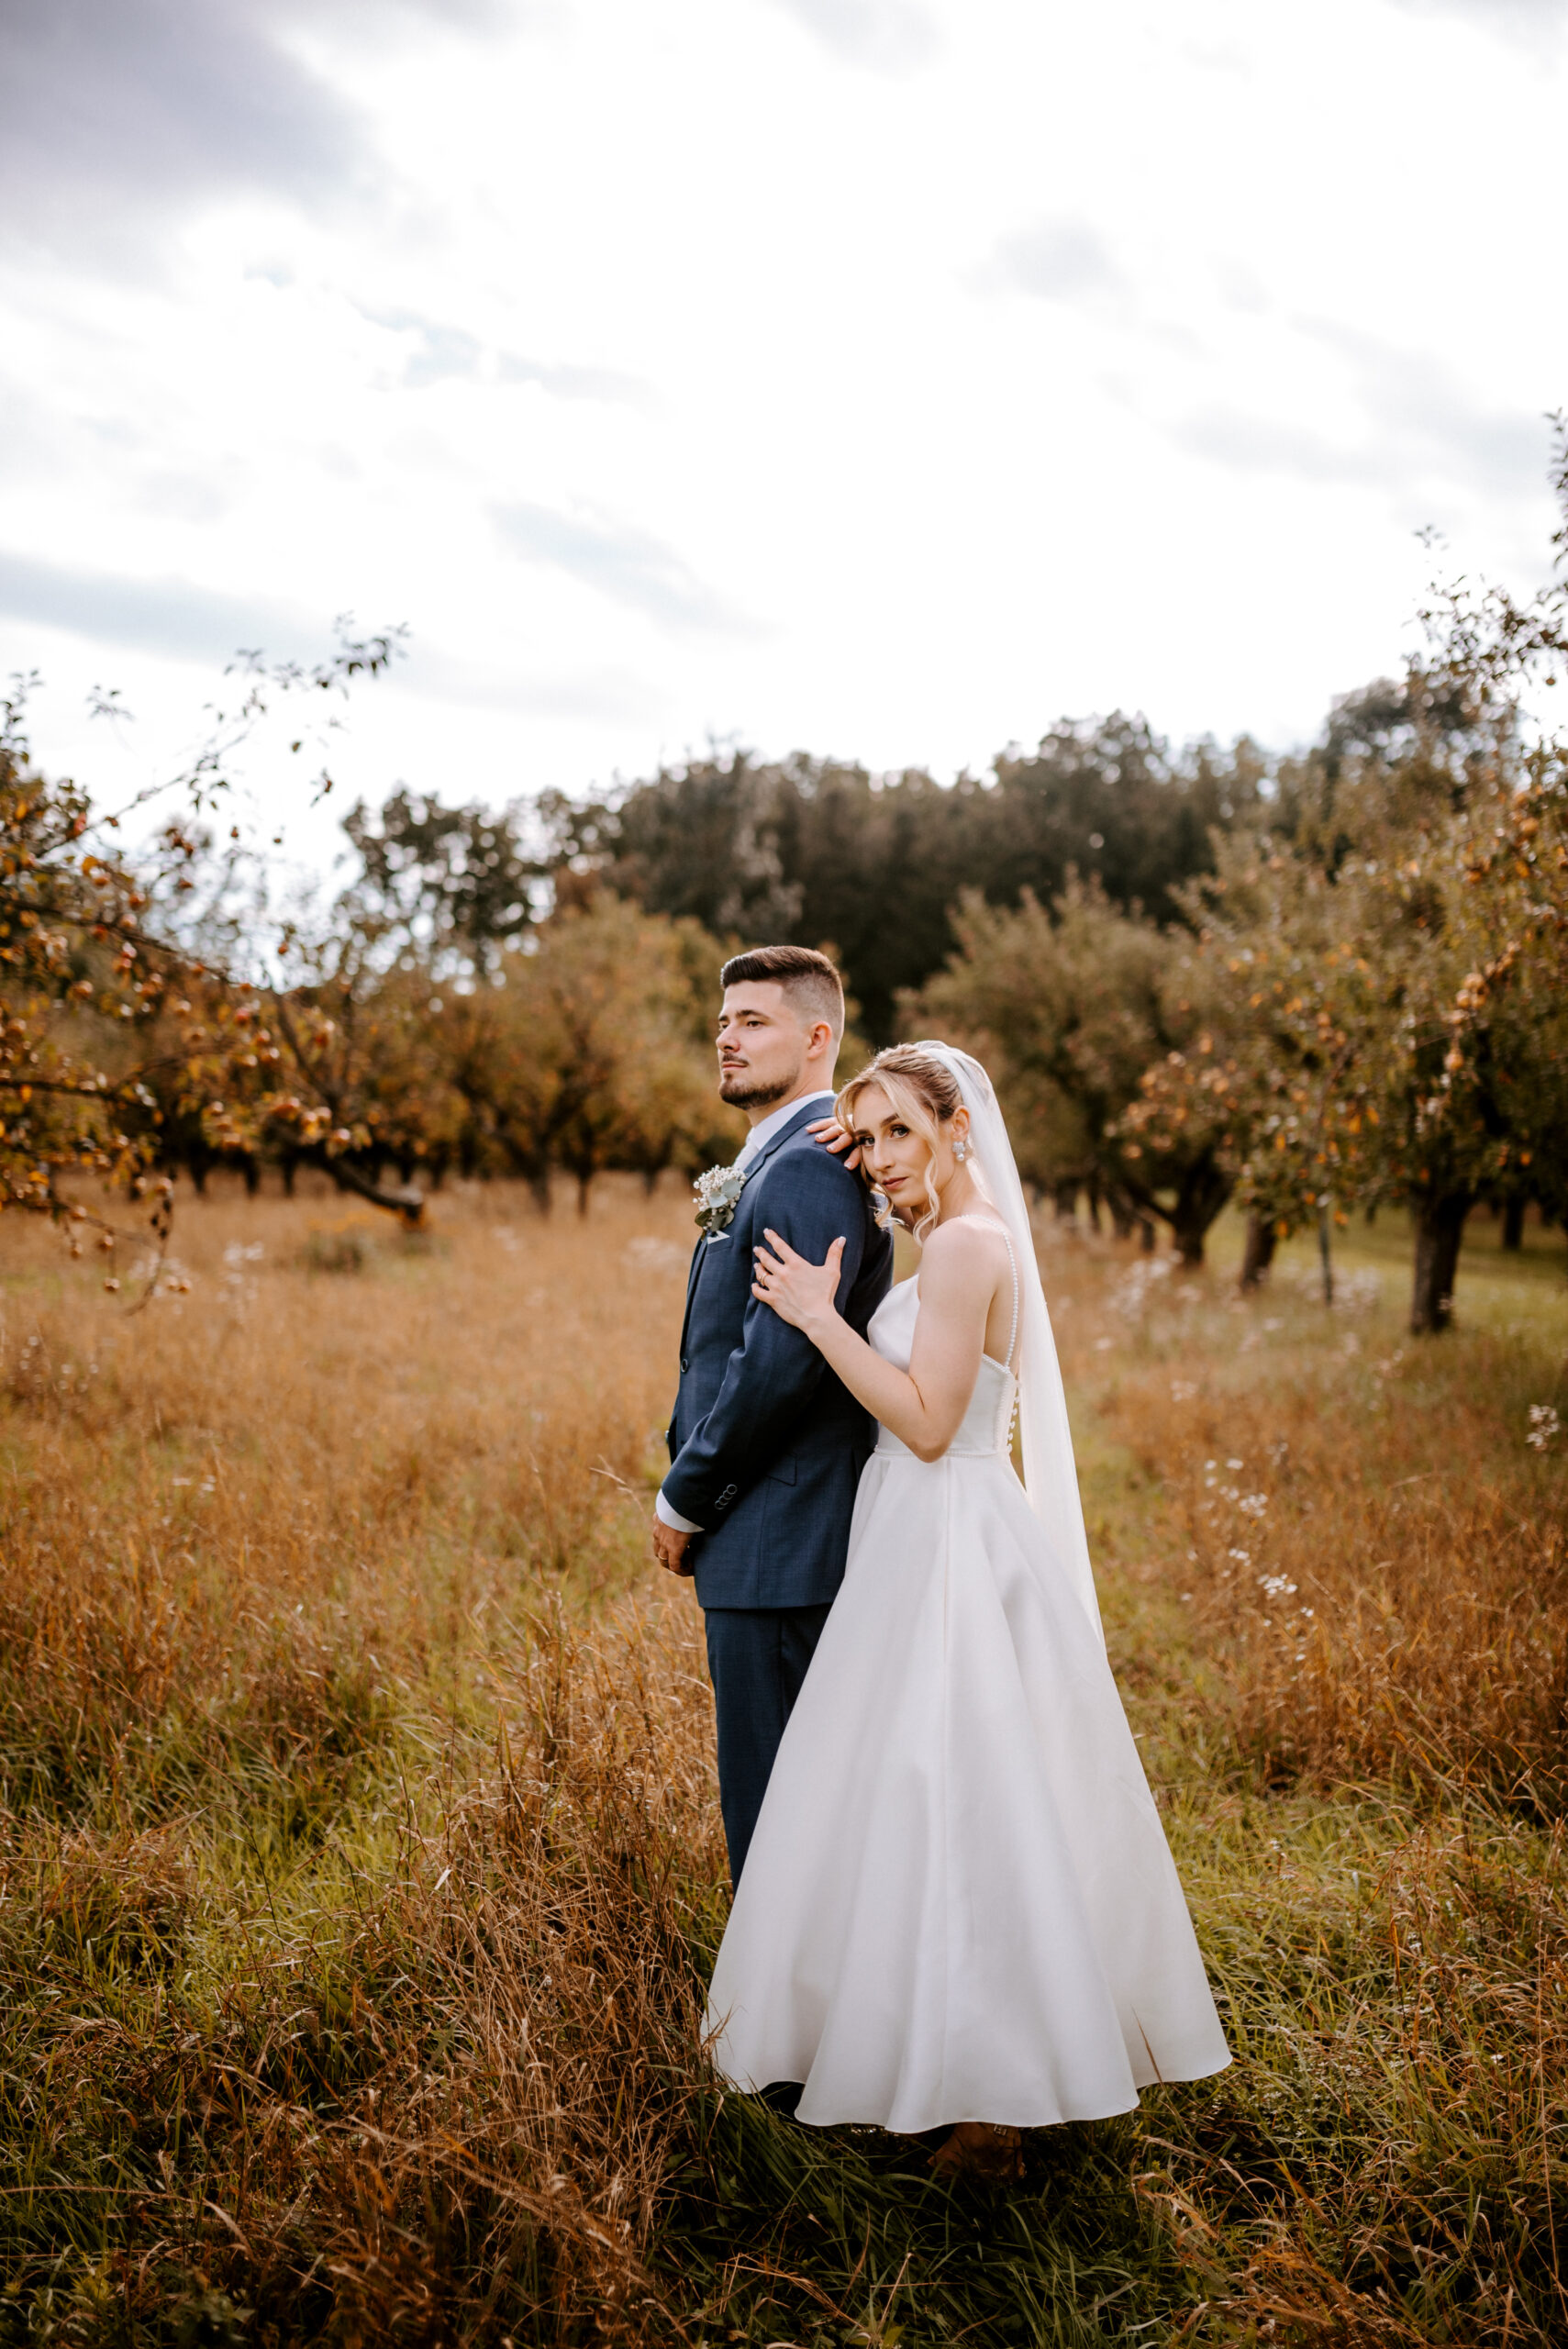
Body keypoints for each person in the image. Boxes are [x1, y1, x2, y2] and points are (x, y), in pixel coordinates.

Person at [703, 1042, 1230, 2180]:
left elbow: (929, 1421)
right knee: (931, 1801)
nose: (879, 1156)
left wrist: (816, 1315)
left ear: (957, 1125)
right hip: (917, 1530)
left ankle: (989, 2103)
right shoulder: (953, 1230)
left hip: (944, 1537)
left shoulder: (963, 1245)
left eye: (901, 1130)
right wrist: (860, 1140)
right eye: (866, 1137)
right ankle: (935, 2053)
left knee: (956, 1801)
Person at [652, 945, 894, 1887]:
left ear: (817, 1037)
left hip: (778, 1542)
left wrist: (685, 1496)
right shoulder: (786, 1159)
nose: (727, 1037)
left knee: (775, 1809)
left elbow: (776, 1366)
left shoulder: (804, 1169)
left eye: (753, 1021)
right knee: (786, 1799)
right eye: (723, 1022)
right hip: (770, 1538)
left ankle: (784, 1983)